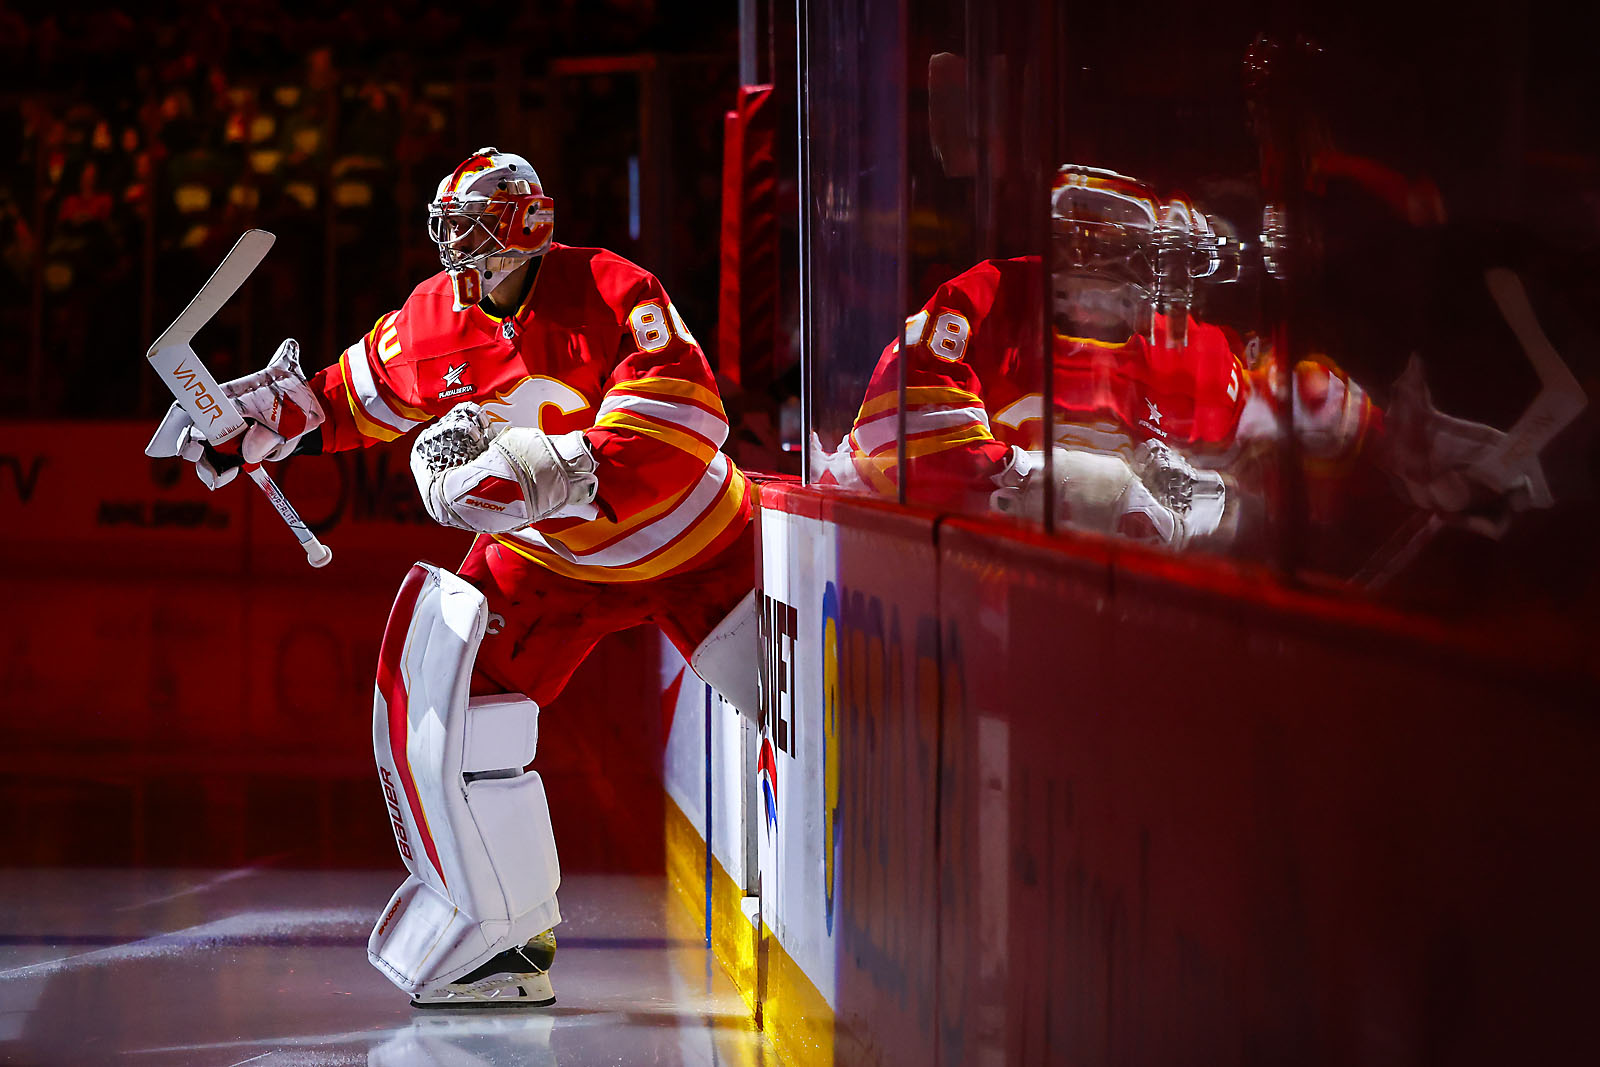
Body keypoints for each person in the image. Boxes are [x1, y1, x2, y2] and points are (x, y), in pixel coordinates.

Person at [154, 148, 758, 1007]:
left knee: (799, 713)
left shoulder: (613, 286)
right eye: (448, 225)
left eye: (474, 224)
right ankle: (503, 938)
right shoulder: (439, 313)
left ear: (526, 225)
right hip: (555, 559)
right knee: (440, 688)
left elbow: (686, 416)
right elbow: (352, 395)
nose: (454, 244)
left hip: (697, 542)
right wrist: (266, 418)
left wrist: (541, 467)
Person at [825, 165, 1546, 555]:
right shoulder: (985, 301)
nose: (1171, 294)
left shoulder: (1189, 352)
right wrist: (1095, 488)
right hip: (926, 606)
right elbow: (908, 440)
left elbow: (1293, 412)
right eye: (1150, 263)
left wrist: (1399, 447)